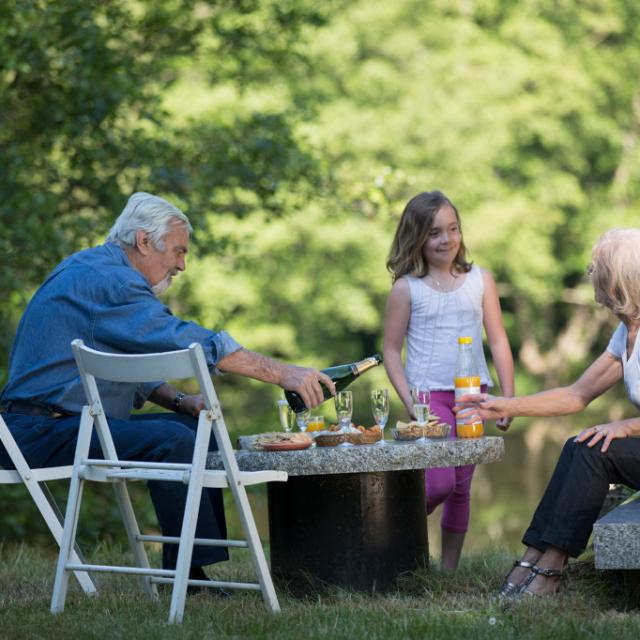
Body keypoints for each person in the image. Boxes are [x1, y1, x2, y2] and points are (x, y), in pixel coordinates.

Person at [0, 191, 333, 585]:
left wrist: (178, 400)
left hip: (60, 424)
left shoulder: (93, 267)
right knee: (175, 439)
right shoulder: (114, 282)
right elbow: (182, 340)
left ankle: (191, 570)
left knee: (196, 428)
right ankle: (188, 578)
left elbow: (123, 363)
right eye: (177, 251)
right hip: (32, 435)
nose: (182, 264)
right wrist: (283, 373)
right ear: (143, 241)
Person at [455, 227, 640, 599]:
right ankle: (531, 559)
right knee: (579, 444)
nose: (591, 274)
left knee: (591, 451)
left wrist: (626, 425)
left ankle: (547, 573)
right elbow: (577, 395)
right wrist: (508, 406)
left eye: (597, 267)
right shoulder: (626, 332)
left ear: (619, 278)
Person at [383, 190, 514, 572]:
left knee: (460, 487)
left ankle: (447, 572)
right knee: (437, 484)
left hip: (473, 394)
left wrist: (509, 396)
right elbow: (391, 350)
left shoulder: (480, 280)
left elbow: (500, 339)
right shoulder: (407, 288)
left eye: (452, 229)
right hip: (427, 397)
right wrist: (410, 402)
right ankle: (393, 535)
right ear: (416, 238)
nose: (446, 240)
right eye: (435, 233)